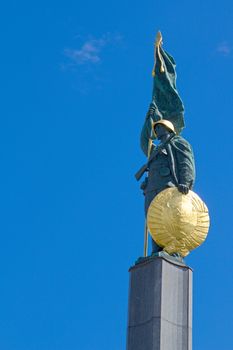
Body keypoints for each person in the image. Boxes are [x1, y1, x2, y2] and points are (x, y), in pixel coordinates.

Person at [136, 105, 195, 254]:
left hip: (168, 185)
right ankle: (156, 250)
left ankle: (172, 249)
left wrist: (186, 182)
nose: (156, 130)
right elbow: (144, 140)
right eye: (155, 129)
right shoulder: (154, 149)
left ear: (168, 129)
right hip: (151, 188)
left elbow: (186, 163)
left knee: (168, 217)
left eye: (159, 127)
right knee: (152, 219)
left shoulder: (178, 142)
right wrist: (147, 119)